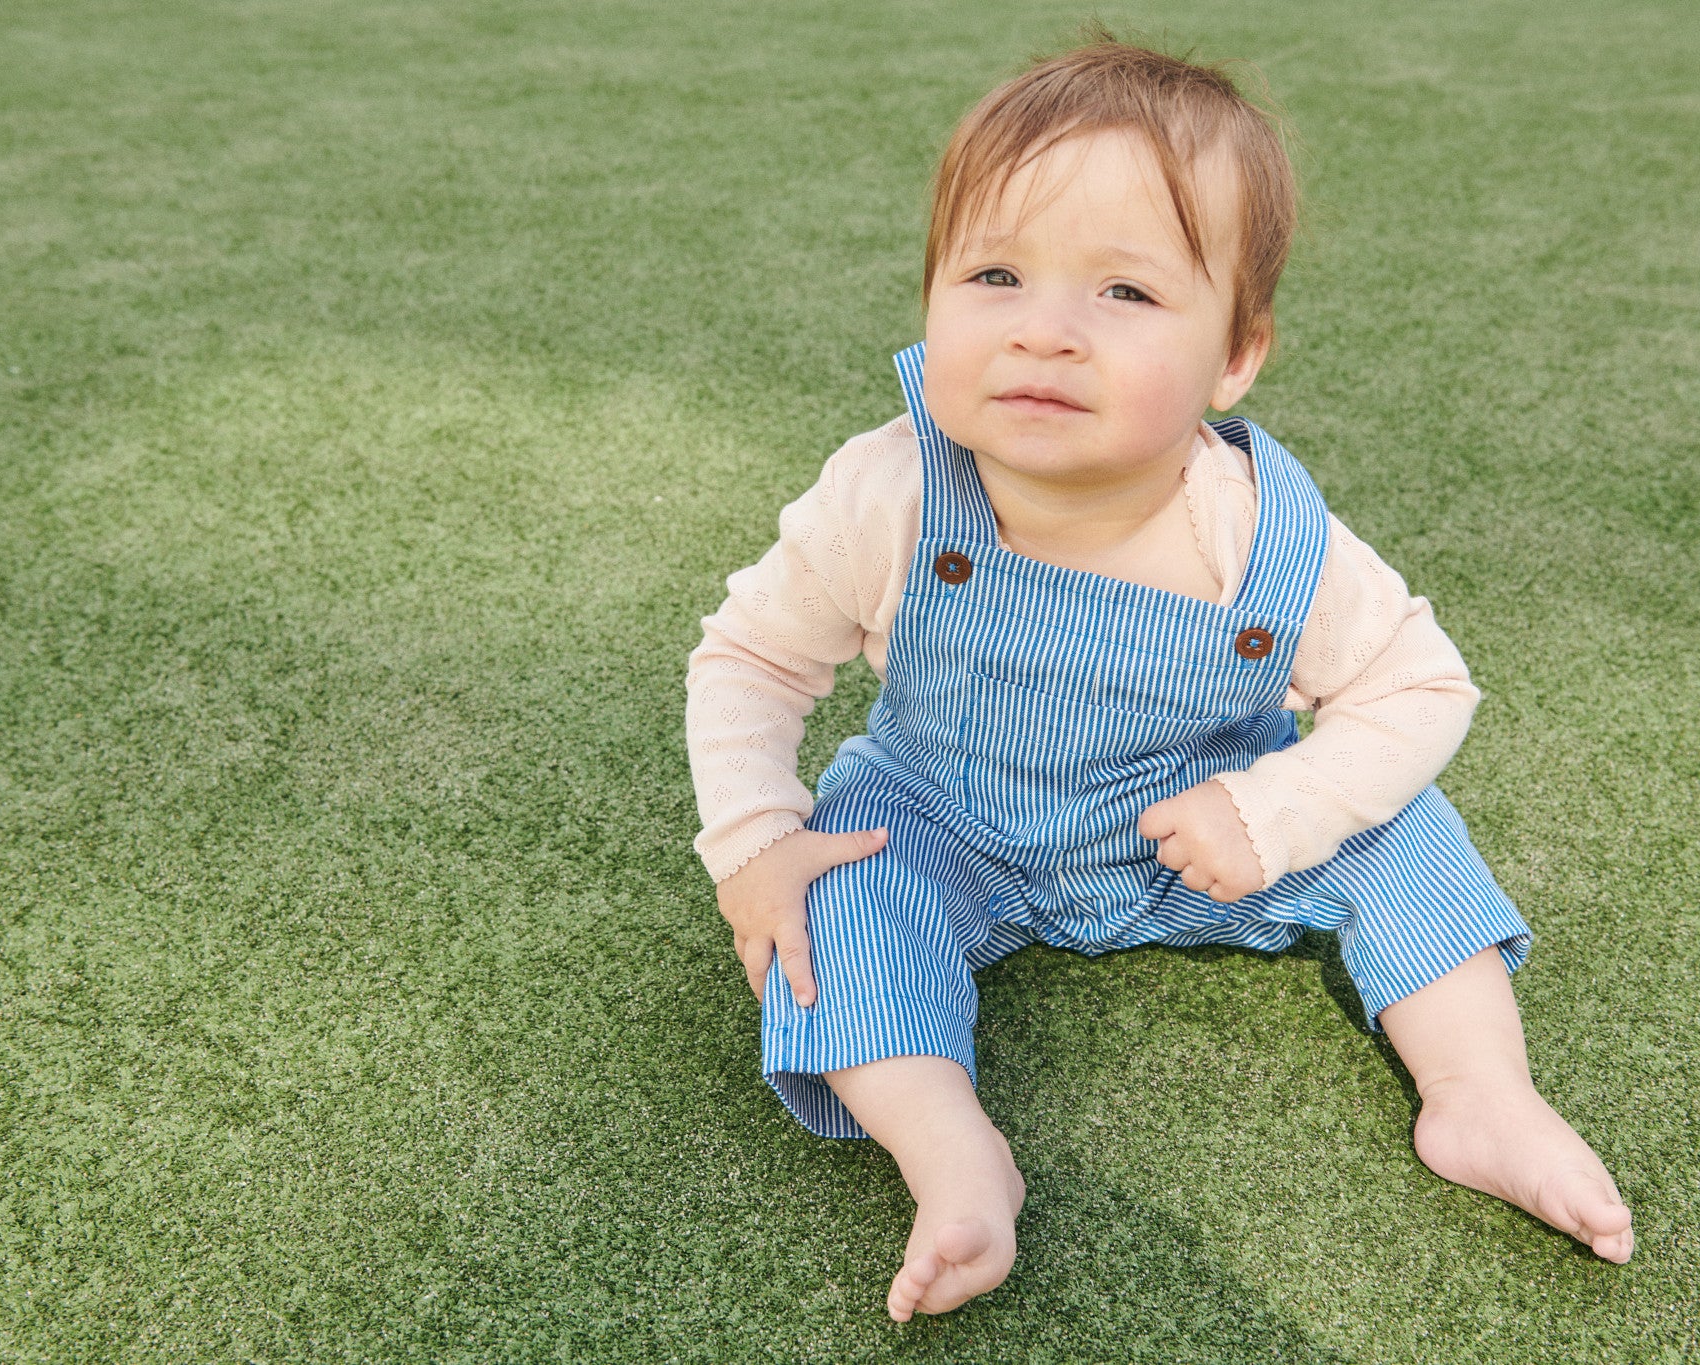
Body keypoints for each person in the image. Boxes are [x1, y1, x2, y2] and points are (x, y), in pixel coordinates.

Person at [684, 35, 1634, 1322]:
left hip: (1191, 830)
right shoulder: (891, 489)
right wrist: (752, 836)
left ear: (1232, 359)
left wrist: (1270, 814)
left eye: (1123, 294)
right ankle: (953, 1152)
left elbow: (1420, 689)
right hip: (941, 817)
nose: (1043, 330)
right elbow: (750, 656)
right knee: (822, 910)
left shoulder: (1257, 530)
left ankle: (1480, 1097)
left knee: (1403, 827)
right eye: (994, 274)